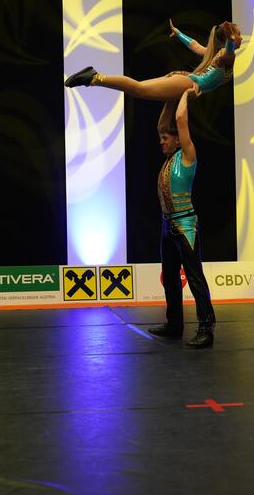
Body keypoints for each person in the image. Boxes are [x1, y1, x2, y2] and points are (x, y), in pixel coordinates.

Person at [147, 89, 216, 348]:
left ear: (178, 140)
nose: (161, 142)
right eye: (161, 139)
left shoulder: (187, 155)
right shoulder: (169, 159)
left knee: (195, 277)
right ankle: (175, 324)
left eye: (165, 138)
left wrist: (184, 93)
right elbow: (163, 124)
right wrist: (169, 97)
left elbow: (180, 120)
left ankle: (206, 328)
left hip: (185, 224)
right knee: (170, 277)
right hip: (167, 225)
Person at [65, 20, 242, 100]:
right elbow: (229, 51)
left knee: (139, 91)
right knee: (140, 89)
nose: (242, 38)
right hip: (189, 83)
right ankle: (95, 78)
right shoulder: (226, 55)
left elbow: (194, 45)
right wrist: (231, 40)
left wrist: (179, 34)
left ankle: (94, 78)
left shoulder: (213, 54)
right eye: (239, 34)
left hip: (185, 80)